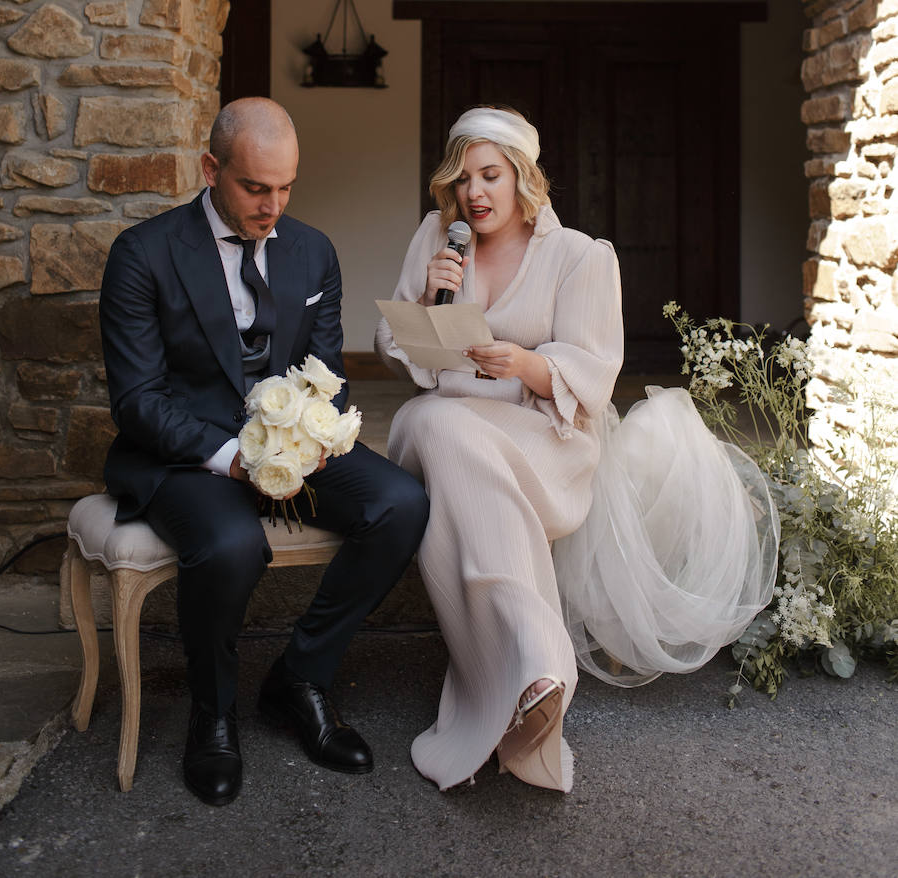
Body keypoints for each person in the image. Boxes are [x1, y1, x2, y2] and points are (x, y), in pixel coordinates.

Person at [376, 106, 778, 793]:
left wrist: (525, 365)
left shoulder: (579, 256)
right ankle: (537, 660)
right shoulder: (439, 239)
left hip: (542, 436)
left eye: (492, 175)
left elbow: (596, 371)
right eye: (465, 177)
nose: (475, 192)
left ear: (523, 178)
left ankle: (526, 674)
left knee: (455, 446)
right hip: (444, 415)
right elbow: (394, 347)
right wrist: (431, 296)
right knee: (437, 423)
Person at [100, 97, 429, 806]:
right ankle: (213, 714)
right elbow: (137, 401)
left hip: (290, 445)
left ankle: (300, 678)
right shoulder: (144, 253)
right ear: (211, 168)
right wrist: (235, 459)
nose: (272, 205)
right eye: (255, 187)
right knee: (230, 545)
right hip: (187, 452)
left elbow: (324, 373)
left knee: (401, 503)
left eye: (285, 188)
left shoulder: (312, 251)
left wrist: (314, 436)